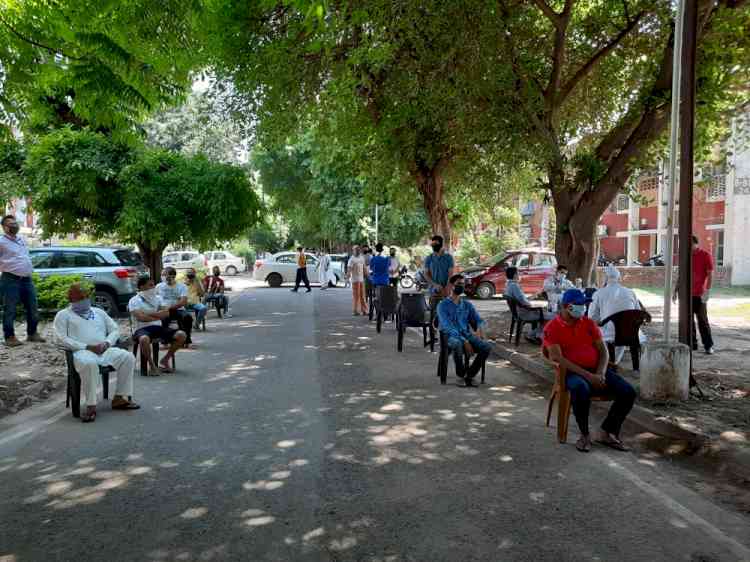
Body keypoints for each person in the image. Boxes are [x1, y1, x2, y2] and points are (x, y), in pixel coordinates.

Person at [543, 289, 637, 453]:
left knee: (628, 392)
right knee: (581, 388)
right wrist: (588, 375)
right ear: (567, 306)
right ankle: (584, 434)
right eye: (580, 305)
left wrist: (600, 372)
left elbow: (603, 350)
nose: (583, 308)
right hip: (571, 373)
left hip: (596, 370)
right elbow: (557, 358)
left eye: (584, 305)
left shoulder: (588, 323)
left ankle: (606, 432)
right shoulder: (553, 327)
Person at [54, 283, 139, 422]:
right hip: (81, 352)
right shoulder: (63, 315)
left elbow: (114, 330)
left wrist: (107, 343)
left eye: (87, 296)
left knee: (127, 357)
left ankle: (119, 398)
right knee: (90, 364)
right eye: (81, 297)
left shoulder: (98, 312)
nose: (85, 299)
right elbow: (61, 339)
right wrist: (87, 346)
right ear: (71, 298)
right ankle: (91, 405)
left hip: (104, 349)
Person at [437, 274, 493, 387]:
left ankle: (470, 375)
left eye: (463, 284)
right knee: (457, 343)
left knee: (486, 347)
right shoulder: (443, 305)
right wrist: (465, 341)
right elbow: (447, 326)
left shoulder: (467, 304)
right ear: (451, 286)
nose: (461, 286)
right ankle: (461, 375)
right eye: (458, 284)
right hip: (449, 336)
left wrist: (479, 329)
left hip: (467, 334)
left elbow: (478, 320)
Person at [0, 215, 46, 347]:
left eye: (15, 222)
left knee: (33, 306)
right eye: (10, 223)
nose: (14, 225)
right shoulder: (1, 241)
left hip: (27, 279)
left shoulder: (21, 240)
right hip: (10, 279)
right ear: (4, 227)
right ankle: (9, 337)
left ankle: (32, 334)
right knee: (10, 309)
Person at [588, 265, 647, 367]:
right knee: (620, 329)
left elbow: (591, 317)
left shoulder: (599, 293)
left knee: (597, 332)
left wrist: (601, 320)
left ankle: (607, 363)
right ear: (618, 278)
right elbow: (637, 312)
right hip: (633, 333)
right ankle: (614, 362)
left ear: (605, 278)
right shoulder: (630, 292)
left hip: (612, 334)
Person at [128, 277, 186, 374]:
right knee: (144, 339)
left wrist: (148, 314)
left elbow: (166, 313)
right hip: (141, 329)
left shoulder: (158, 298)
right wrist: (157, 315)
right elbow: (140, 317)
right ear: (142, 287)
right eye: (150, 285)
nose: (153, 287)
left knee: (182, 335)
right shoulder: (134, 300)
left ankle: (164, 360)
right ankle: (152, 366)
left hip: (158, 328)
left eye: (153, 285)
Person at [674, 235, 714, 354]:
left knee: (702, 320)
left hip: (700, 294)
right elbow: (681, 275)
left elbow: (710, 274)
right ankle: (693, 345)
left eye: (689, 244)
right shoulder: (685, 256)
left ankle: (708, 345)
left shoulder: (705, 255)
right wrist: (675, 291)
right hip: (686, 295)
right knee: (688, 322)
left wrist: (707, 291)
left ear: (695, 243)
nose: (687, 247)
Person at [504, 266, 554, 343]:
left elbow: (521, 299)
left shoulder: (508, 285)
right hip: (524, 313)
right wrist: (532, 306)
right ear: (514, 275)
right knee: (553, 317)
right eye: (518, 273)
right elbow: (524, 302)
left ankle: (535, 335)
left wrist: (533, 296)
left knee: (545, 314)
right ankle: (533, 335)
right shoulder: (514, 286)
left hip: (519, 312)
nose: (519, 275)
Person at [156, 267, 194, 346]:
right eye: (162, 275)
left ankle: (186, 340)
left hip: (179, 309)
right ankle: (164, 340)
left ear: (172, 276)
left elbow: (183, 301)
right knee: (163, 318)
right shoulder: (159, 286)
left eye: (164, 275)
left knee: (187, 317)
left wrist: (170, 307)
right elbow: (155, 299)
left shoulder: (182, 286)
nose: (162, 277)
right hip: (164, 310)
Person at [424, 235, 455, 325]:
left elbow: (451, 274)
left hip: (446, 290)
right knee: (433, 315)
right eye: (432, 244)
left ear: (441, 244)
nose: (434, 246)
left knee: (447, 314)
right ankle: (433, 336)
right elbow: (426, 274)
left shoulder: (448, 258)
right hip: (433, 291)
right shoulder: (429, 258)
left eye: (436, 244)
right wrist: (435, 285)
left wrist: (447, 288)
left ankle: (446, 335)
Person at [347, 245, 367, 315]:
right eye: (356, 250)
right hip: (355, 280)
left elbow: (364, 268)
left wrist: (368, 276)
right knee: (356, 296)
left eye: (358, 249)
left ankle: (364, 310)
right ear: (353, 251)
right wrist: (347, 277)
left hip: (361, 280)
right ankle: (355, 311)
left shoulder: (362, 258)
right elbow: (349, 269)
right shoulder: (351, 259)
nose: (357, 251)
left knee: (362, 295)